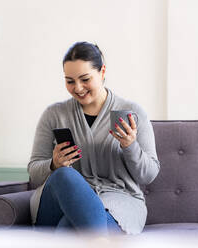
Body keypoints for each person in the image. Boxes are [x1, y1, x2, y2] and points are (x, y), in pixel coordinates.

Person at [27, 41, 160, 237]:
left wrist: (130, 146)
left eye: (85, 79)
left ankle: (97, 239)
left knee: (69, 228)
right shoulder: (53, 114)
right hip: (60, 202)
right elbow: (34, 173)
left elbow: (148, 175)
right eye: (70, 81)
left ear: (102, 71)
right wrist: (54, 164)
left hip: (119, 204)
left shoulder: (134, 113)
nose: (78, 88)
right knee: (65, 175)